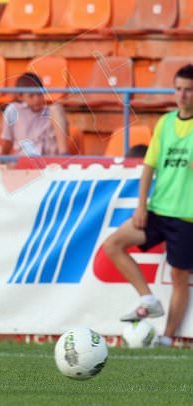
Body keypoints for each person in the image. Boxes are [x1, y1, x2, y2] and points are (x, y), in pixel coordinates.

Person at [102, 63, 193, 348]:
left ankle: (167, 337)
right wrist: (141, 205)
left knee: (179, 275)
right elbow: (149, 167)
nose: (182, 95)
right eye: (178, 89)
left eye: (189, 90)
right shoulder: (165, 123)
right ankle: (148, 298)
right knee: (113, 245)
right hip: (158, 210)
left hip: (187, 215)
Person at [0, 72, 69, 156]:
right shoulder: (12, 111)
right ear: (20, 96)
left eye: (40, 94)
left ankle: (64, 157)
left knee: (57, 108)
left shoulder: (52, 112)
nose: (37, 99)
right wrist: (0, 161)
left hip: (49, 162)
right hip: (25, 161)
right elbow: (8, 141)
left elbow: (64, 136)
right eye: (31, 96)